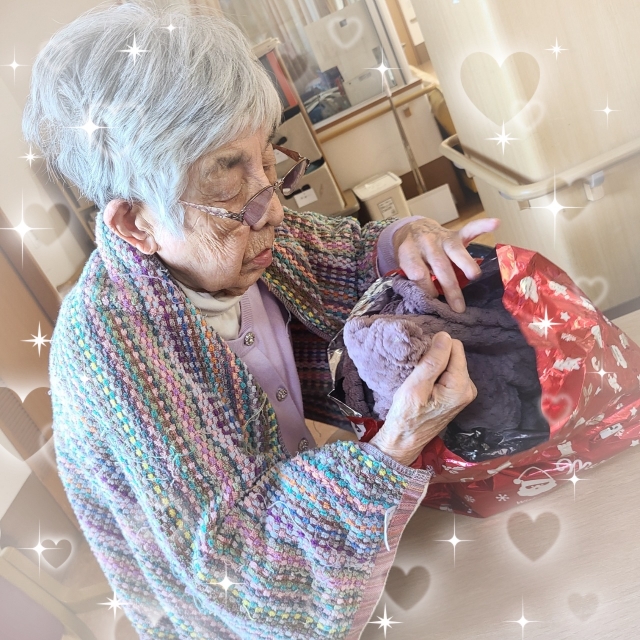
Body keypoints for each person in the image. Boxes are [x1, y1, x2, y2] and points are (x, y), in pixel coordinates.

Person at [23, 2, 498, 638]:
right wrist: (396, 445)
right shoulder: (112, 350)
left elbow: (342, 252)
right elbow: (238, 564)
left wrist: (407, 239)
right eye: (226, 179)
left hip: (327, 533)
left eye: (268, 162)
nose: (271, 208)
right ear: (136, 223)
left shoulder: (244, 238)